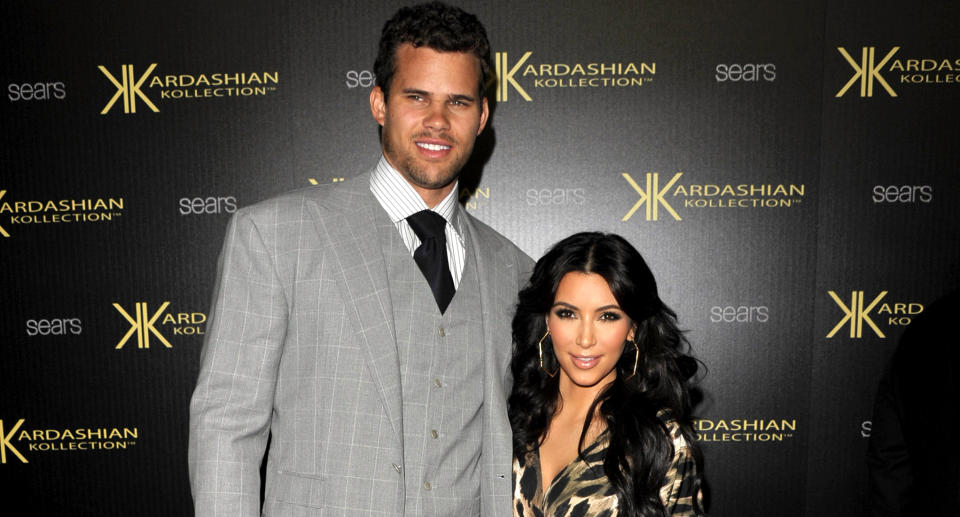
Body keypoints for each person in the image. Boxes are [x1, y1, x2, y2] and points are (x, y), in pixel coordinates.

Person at [188, 3, 533, 516]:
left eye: (458, 102)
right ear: (379, 103)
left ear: (481, 116)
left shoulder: (514, 269)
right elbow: (226, 427)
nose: (437, 121)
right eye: (416, 97)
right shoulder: (277, 235)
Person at [508, 232, 704, 516]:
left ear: (633, 327)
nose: (585, 339)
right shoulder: (511, 419)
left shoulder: (661, 441)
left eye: (608, 316)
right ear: (547, 320)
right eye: (568, 314)